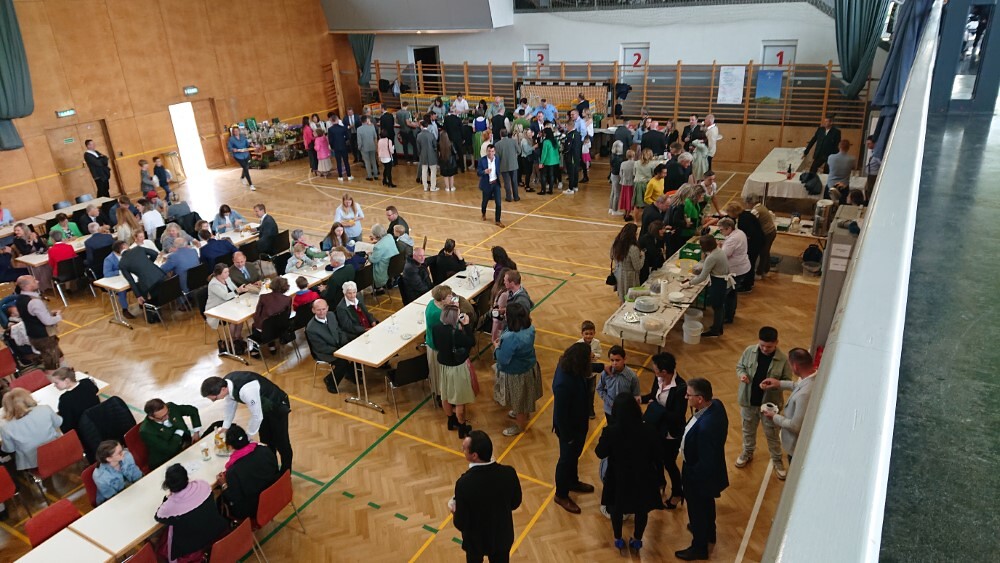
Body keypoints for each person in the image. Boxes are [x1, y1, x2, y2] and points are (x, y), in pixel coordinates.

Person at [596, 393, 663, 553]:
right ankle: (637, 539)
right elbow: (657, 455)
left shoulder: (611, 431)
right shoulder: (649, 429)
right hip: (643, 476)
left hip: (618, 478)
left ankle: (618, 538)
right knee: (641, 509)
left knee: (616, 509)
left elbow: (600, 452)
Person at [675, 378, 729, 561]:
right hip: (707, 472)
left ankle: (699, 547)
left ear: (699, 399)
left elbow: (705, 461)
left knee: (697, 510)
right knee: (707, 503)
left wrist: (691, 476)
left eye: (688, 395)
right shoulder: (717, 405)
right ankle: (709, 532)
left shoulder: (705, 428)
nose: (686, 397)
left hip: (697, 475)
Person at [451, 431, 522, 563]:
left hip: (475, 540)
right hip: (501, 537)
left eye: (464, 449)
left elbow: (460, 523)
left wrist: (454, 511)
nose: (462, 450)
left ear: (474, 455)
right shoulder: (509, 473)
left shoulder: (464, 484)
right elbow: (515, 502)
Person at [201, 372, 293, 473]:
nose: (215, 400)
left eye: (215, 399)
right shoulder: (226, 384)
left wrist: (247, 436)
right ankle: (272, 469)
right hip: (262, 409)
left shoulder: (246, 390)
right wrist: (225, 427)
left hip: (276, 406)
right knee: (266, 440)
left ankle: (286, 472)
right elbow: (230, 405)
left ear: (223, 389)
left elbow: (257, 416)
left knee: (282, 443)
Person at [735, 326, 793, 479]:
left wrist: (774, 384)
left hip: (770, 405)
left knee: (772, 434)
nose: (765, 349)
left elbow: (787, 381)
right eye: (762, 345)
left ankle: (777, 460)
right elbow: (740, 367)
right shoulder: (749, 351)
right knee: (748, 431)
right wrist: (742, 375)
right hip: (749, 402)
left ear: (776, 343)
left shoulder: (783, 360)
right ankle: (747, 452)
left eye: (769, 346)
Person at [551, 342, 596, 514]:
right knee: (566, 459)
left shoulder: (572, 367)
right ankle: (561, 494)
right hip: (569, 429)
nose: (591, 360)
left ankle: (572, 481)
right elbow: (561, 415)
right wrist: (568, 437)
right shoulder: (563, 383)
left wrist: (603, 367)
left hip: (579, 422)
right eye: (589, 358)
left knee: (574, 456)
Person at [641, 352, 688, 509]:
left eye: (655, 369)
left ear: (664, 372)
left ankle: (677, 493)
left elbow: (677, 416)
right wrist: (640, 399)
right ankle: (660, 482)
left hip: (670, 433)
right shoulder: (658, 378)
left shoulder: (681, 388)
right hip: (657, 428)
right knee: (655, 458)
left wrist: (656, 408)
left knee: (669, 463)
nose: (654, 371)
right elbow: (653, 396)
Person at [155, 464, 229, 562]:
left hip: (193, 547)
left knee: (162, 542)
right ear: (186, 477)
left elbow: (158, 516)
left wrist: (168, 498)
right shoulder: (202, 485)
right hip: (217, 533)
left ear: (168, 485)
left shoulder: (171, 505)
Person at [761, 348, 817, 464]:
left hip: (796, 447)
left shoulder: (804, 395)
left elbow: (795, 426)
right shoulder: (815, 377)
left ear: (795, 366)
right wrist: (779, 383)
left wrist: (774, 417)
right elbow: (800, 385)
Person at [493, 302, 539, 437]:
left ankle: (519, 426)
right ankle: (524, 413)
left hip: (516, 373)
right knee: (524, 396)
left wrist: (496, 347)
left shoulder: (511, 337)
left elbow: (503, 359)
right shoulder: (530, 328)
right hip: (529, 367)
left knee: (518, 401)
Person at [217, 424, 281, 519]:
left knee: (220, 499)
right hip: (277, 495)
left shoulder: (233, 472)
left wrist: (223, 484)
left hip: (256, 509)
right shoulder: (265, 450)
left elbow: (234, 498)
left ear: (229, 446)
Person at [432, 303, 476, 438]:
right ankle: (462, 427)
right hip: (457, 368)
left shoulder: (436, 328)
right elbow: (471, 342)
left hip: (444, 367)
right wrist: (466, 325)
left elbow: (436, 345)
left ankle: (450, 420)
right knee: (459, 399)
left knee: (445, 395)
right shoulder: (455, 334)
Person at [0, 388, 61, 470]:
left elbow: (9, 449)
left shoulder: (5, 427)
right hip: (59, 449)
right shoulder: (45, 408)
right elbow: (58, 423)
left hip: (34, 462)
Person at [15, 275, 64, 370]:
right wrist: (58, 317)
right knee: (52, 365)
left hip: (33, 336)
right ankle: (57, 377)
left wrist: (48, 313)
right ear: (27, 286)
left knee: (59, 357)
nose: (37, 281)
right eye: (34, 281)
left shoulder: (20, 299)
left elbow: (31, 314)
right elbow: (47, 321)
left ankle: (66, 373)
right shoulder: (34, 302)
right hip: (44, 338)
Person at [140, 398, 202, 470]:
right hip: (166, 460)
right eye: (162, 417)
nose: (167, 417)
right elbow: (169, 449)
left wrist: (196, 433)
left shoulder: (171, 407)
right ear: (151, 417)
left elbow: (193, 410)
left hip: (186, 446)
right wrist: (179, 431)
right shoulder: (146, 431)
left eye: (167, 413)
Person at [306, 299, 351, 393]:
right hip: (325, 352)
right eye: (318, 310)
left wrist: (345, 343)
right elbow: (321, 347)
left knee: (354, 351)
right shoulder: (311, 328)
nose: (322, 312)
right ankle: (330, 381)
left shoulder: (331, 315)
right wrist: (339, 351)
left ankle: (351, 374)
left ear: (327, 308)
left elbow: (339, 330)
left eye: (323, 309)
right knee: (342, 362)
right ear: (313, 310)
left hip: (338, 346)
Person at [722, 202, 764, 292]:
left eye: (729, 212)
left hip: (755, 243)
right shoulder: (744, 214)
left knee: (751, 261)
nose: (728, 214)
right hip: (756, 240)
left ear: (733, 212)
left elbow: (748, 234)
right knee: (751, 262)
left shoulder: (744, 220)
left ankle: (747, 285)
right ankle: (748, 282)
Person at [119, 243, 167, 317]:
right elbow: (154, 253)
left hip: (147, 283)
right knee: (155, 292)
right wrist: (149, 263)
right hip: (159, 275)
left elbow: (131, 281)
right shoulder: (138, 249)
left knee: (144, 293)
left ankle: (151, 315)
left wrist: (138, 296)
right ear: (124, 246)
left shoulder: (122, 263)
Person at [596, 346, 640, 424]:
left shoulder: (632, 376)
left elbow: (636, 395)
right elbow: (599, 388)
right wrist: (609, 401)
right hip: (610, 411)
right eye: (612, 360)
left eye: (617, 360)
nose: (614, 363)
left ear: (624, 359)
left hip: (625, 412)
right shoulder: (606, 373)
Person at [717, 218, 750, 320]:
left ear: (729, 228)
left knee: (725, 294)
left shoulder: (733, 239)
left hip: (736, 270)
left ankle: (725, 317)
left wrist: (719, 247)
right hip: (742, 266)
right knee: (732, 293)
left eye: (721, 230)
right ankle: (729, 315)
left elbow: (724, 255)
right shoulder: (739, 232)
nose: (721, 232)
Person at [250, 276, 291, 357]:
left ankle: (255, 349)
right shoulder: (288, 299)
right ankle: (271, 345)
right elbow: (287, 315)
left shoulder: (263, 297)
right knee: (270, 322)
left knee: (255, 325)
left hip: (266, 330)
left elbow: (257, 315)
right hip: (280, 329)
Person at [92, 440, 143, 504]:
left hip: (133, 491)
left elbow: (138, 477)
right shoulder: (100, 476)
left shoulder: (126, 455)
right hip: (115, 501)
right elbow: (112, 498)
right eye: (119, 453)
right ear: (109, 459)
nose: (123, 453)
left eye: (122, 449)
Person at [51, 367, 99, 433]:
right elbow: (96, 390)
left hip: (82, 429)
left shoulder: (65, 399)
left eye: (56, 383)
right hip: (97, 418)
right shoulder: (87, 382)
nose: (54, 385)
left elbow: (67, 425)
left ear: (67, 381)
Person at [611, 223, 643, 304]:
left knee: (622, 297)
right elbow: (637, 266)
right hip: (630, 276)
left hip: (618, 273)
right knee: (630, 299)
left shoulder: (615, 243)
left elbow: (611, 256)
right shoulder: (633, 248)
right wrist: (643, 256)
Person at [478, 144, 504, 226]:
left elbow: (498, 169)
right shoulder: (482, 160)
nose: (490, 153)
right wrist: (484, 172)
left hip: (495, 183)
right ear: (486, 151)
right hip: (487, 184)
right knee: (485, 201)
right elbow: (478, 172)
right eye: (489, 151)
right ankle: (483, 213)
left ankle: (497, 220)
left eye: (492, 151)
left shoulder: (497, 159)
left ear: (494, 152)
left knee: (498, 203)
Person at [368, 224, 398, 290]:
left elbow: (373, 260)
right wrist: (377, 241)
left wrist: (368, 254)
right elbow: (384, 243)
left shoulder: (378, 247)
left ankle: (376, 287)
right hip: (393, 266)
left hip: (383, 269)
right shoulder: (389, 236)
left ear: (376, 235)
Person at [752, 202, 777, 279]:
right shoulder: (761, 206)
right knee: (766, 251)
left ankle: (759, 273)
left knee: (763, 252)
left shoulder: (755, 211)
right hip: (771, 231)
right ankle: (766, 270)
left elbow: (752, 222)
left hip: (768, 233)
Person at [327, 115, 352, 181]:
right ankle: (349, 175)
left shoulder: (330, 129)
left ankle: (340, 176)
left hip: (336, 147)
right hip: (343, 146)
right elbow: (348, 137)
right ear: (337, 120)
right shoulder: (343, 128)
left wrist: (332, 147)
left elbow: (330, 140)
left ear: (331, 121)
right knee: (346, 161)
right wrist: (344, 141)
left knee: (338, 162)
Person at [416, 120, 439, 191]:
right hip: (432, 155)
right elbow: (435, 145)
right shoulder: (431, 135)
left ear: (421, 126)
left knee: (424, 171)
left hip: (423, 155)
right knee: (433, 171)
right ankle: (433, 187)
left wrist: (420, 154)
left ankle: (425, 187)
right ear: (427, 126)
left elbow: (418, 147)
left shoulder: (419, 135)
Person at [537, 128, 560, 196]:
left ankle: (543, 190)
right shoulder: (555, 140)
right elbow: (558, 148)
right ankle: (550, 190)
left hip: (548, 161)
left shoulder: (546, 142)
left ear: (546, 133)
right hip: (555, 161)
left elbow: (544, 153)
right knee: (552, 175)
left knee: (543, 175)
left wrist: (541, 162)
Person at [357, 115, 379, 181]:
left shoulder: (359, 129)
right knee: (373, 161)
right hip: (372, 146)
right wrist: (376, 146)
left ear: (361, 121)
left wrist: (359, 147)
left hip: (364, 148)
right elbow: (375, 137)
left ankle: (370, 176)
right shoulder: (372, 127)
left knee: (367, 162)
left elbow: (359, 141)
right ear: (366, 120)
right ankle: (376, 175)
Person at [863, 135, 881, 201]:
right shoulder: (873, 152)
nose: (867, 145)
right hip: (870, 175)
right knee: (867, 190)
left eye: (869, 143)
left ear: (874, 143)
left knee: (871, 192)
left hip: (874, 176)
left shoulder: (877, 154)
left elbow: (881, 163)